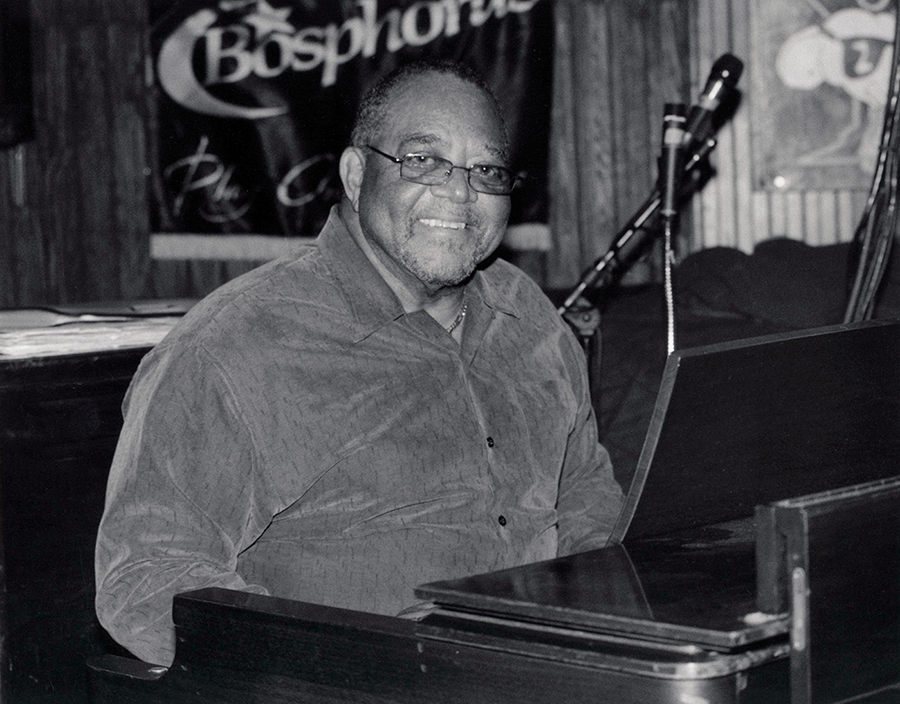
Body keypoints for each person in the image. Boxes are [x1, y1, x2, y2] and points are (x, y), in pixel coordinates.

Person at [95, 61, 624, 667]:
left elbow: (587, 500)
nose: (459, 192)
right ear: (354, 174)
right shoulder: (234, 347)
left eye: (487, 170)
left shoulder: (528, 316)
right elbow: (146, 580)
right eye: (423, 160)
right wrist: (354, 668)